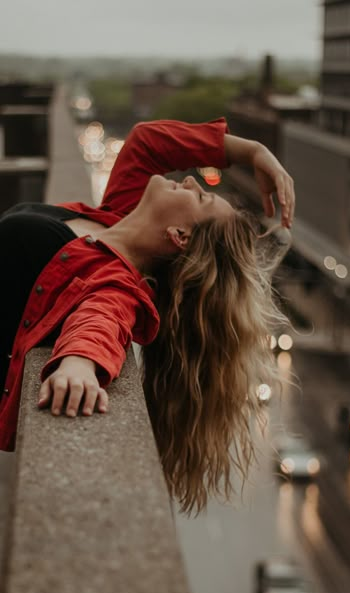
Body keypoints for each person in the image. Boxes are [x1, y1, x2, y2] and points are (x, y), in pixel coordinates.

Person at [0, 117, 294, 512]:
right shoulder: (116, 217)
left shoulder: (119, 281)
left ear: (180, 235)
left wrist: (80, 364)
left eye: (201, 199)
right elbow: (147, 143)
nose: (190, 182)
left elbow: (101, 321)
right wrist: (253, 152)